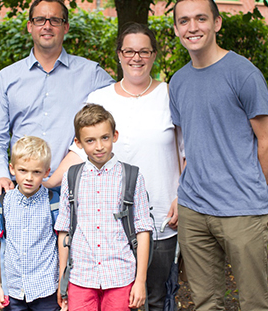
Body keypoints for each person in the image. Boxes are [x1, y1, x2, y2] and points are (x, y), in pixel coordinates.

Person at [46, 23, 183, 310]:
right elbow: (79, 152)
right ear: (119, 55)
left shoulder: (170, 95)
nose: (137, 57)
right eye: (129, 51)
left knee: (156, 298)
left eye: (144, 51)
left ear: (154, 55)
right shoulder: (101, 98)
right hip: (107, 230)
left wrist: (182, 196)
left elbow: (187, 152)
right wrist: (47, 181)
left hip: (159, 217)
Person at [169, 0, 268, 311]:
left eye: (201, 18)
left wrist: (251, 190)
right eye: (184, 20)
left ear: (216, 23)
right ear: (176, 29)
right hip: (194, 208)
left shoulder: (242, 73)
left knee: (254, 302)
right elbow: (189, 143)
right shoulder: (178, 82)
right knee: (205, 302)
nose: (193, 27)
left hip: (242, 210)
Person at [0, 0, 114, 199]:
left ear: (66, 27)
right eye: (40, 20)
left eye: (55, 20)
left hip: (78, 191)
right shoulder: (7, 78)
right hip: (21, 190)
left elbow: (123, 105)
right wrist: (0, 176)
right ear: (30, 26)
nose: (47, 26)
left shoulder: (92, 74)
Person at [54, 104, 154, 311]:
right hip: (80, 276)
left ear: (114, 136)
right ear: (78, 143)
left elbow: (143, 230)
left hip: (120, 275)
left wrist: (140, 281)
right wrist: (62, 281)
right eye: (90, 140)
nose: (99, 146)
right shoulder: (71, 178)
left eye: (104, 138)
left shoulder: (132, 177)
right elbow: (64, 230)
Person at [0, 136, 59, 310]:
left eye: (36, 172)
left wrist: (64, 286)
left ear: (47, 172)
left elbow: (63, 246)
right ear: (12, 169)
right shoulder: (3, 203)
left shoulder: (53, 203)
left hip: (46, 290)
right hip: (15, 291)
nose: (29, 178)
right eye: (23, 170)